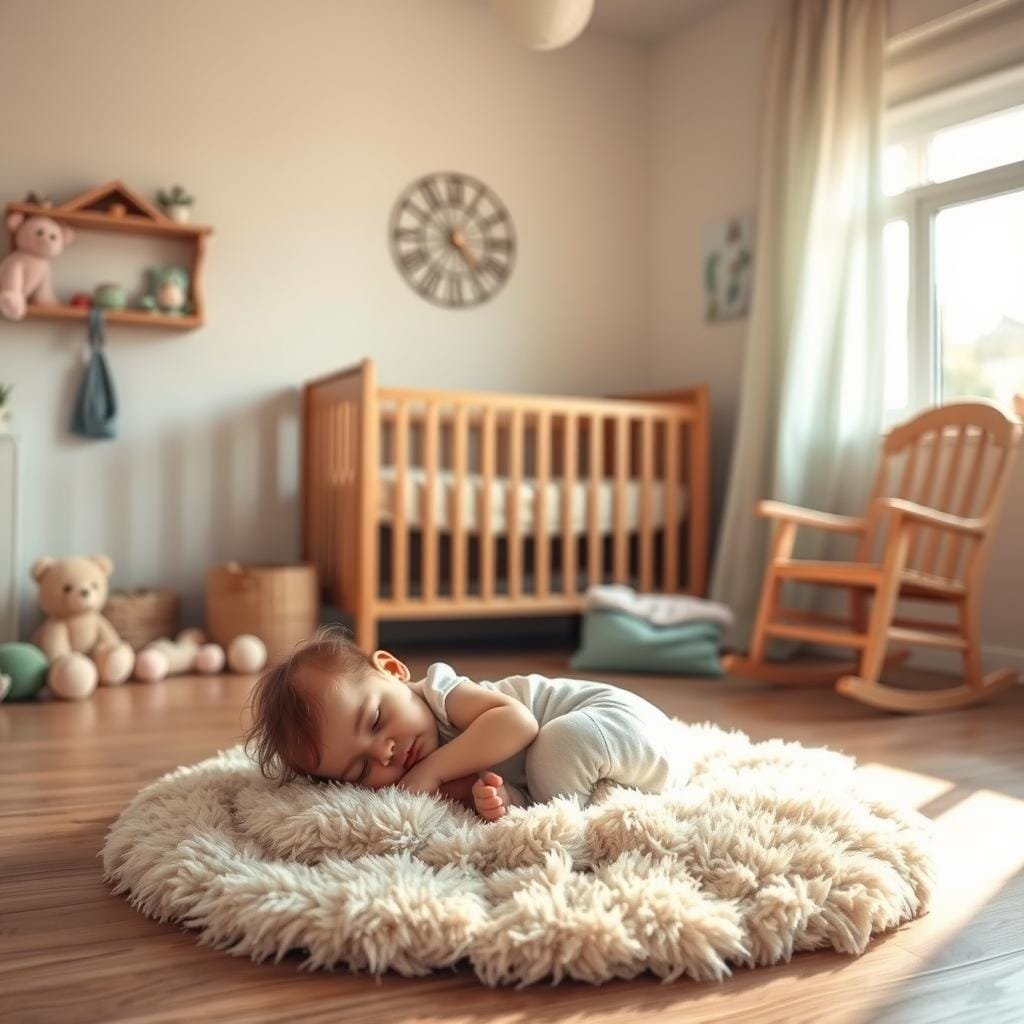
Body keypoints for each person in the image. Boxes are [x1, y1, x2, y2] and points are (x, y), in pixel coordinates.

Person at [244, 627, 684, 821]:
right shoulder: (417, 769)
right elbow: (493, 778)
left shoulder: (442, 693)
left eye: (376, 720)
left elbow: (518, 725)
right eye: (360, 770)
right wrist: (498, 799)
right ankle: (537, 808)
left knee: (559, 741)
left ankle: (566, 830)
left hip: (621, 722)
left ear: (394, 671)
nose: (384, 753)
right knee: (531, 779)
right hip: (619, 756)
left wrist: (431, 771)